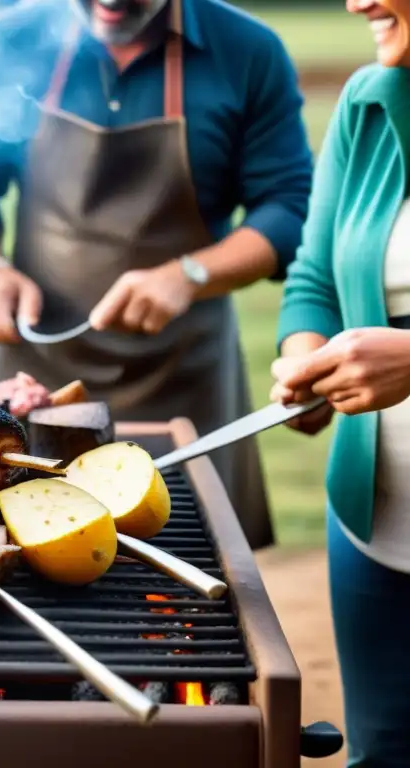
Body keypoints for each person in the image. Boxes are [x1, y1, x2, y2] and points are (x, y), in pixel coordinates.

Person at [0, 0, 314, 551]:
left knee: (191, 576)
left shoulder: (248, 52)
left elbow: (285, 208)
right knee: (22, 558)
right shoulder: (14, 41)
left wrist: (190, 274)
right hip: (34, 386)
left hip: (182, 379)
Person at [271, 0, 410, 761]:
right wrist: (305, 356)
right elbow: (316, 275)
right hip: (375, 518)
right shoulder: (367, 100)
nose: (357, 0)